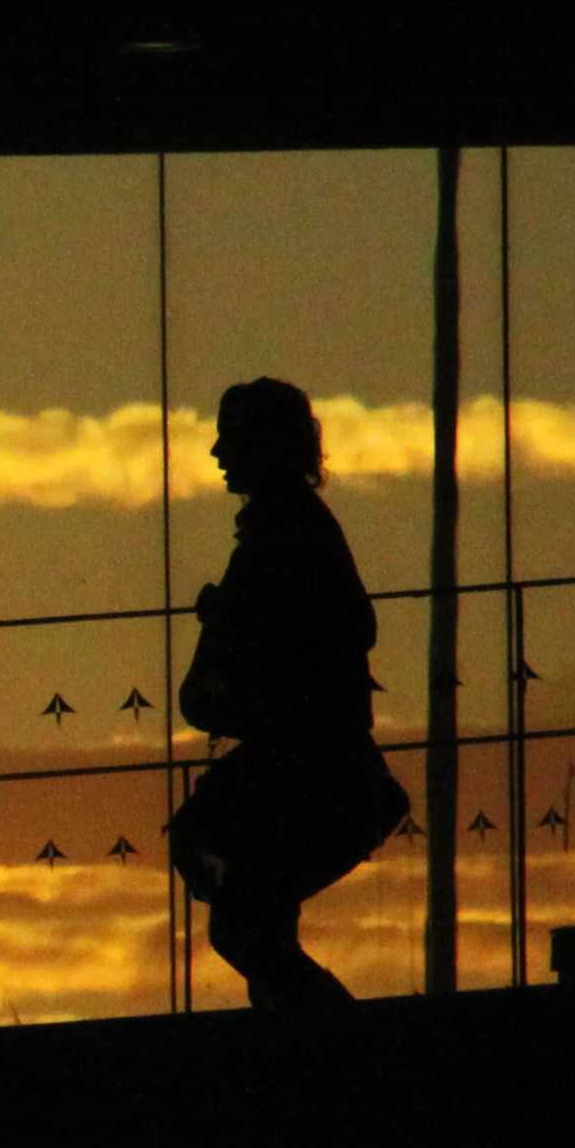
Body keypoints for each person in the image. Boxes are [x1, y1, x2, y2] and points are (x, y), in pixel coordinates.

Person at [170, 376, 393, 1008]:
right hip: (312, 768)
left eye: (229, 439)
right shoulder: (290, 532)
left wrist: (234, 632)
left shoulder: (284, 536)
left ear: (262, 445)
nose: (216, 454)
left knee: (244, 922)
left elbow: (341, 631)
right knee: (251, 919)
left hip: (311, 770)